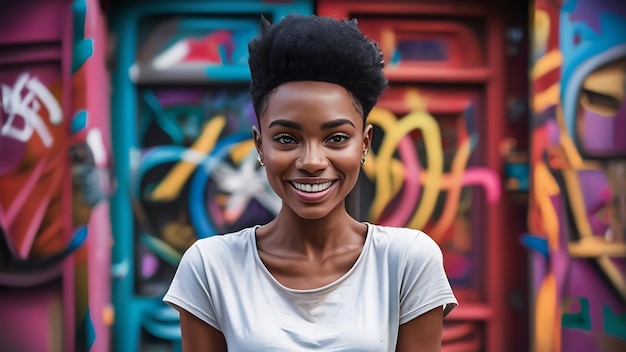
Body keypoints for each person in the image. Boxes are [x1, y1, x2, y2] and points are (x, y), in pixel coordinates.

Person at [163, 14, 457, 351]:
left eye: (336, 138)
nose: (312, 162)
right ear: (260, 145)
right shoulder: (211, 267)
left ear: (364, 143)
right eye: (287, 138)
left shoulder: (406, 262)